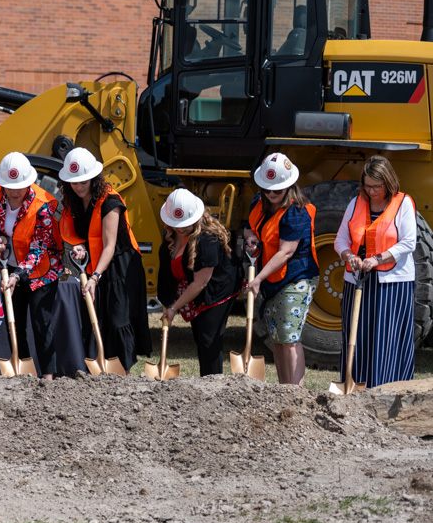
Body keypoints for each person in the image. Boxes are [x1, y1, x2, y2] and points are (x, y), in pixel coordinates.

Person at [58, 147, 151, 371]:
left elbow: (109, 246)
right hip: (95, 265)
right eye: (74, 182)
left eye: (83, 181)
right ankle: (98, 370)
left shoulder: (111, 202)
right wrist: (79, 248)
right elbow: (78, 235)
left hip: (121, 267)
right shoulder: (73, 202)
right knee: (97, 318)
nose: (79, 186)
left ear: (93, 178)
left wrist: (95, 277)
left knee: (119, 319)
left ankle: (122, 372)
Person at [334, 155, 416, 388]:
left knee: (385, 339)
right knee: (356, 337)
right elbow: (341, 239)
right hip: (357, 280)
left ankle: (384, 388)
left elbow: (409, 242)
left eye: (377, 187)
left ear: (388, 183)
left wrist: (377, 259)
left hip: (392, 283)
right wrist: (349, 256)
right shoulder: (355, 203)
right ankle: (353, 384)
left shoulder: (403, 204)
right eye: (367, 186)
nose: (372, 191)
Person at [0, 151, 63, 380]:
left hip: (42, 272)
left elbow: (39, 248)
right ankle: (23, 370)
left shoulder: (43, 205)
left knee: (41, 323)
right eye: (10, 186)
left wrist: (18, 275)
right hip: (11, 268)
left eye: (20, 186)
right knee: (14, 323)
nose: (15, 191)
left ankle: (48, 376)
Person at [245, 153, 319, 386]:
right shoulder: (258, 202)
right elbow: (249, 227)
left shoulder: (296, 212)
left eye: (278, 189)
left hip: (296, 279)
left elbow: (286, 252)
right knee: (277, 339)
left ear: (289, 185)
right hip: (273, 280)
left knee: (289, 338)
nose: (272, 193)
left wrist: (257, 279)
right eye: (268, 189)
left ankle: (295, 393)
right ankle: (283, 389)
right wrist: (250, 239)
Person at [157, 188, 239, 376]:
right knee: (199, 336)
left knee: (209, 337)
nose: (181, 228)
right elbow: (167, 270)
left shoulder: (207, 239)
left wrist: (174, 308)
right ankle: (205, 381)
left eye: (185, 223)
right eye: (176, 223)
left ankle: (213, 382)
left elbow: (200, 283)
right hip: (191, 287)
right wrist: (167, 300)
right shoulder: (170, 235)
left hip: (216, 290)